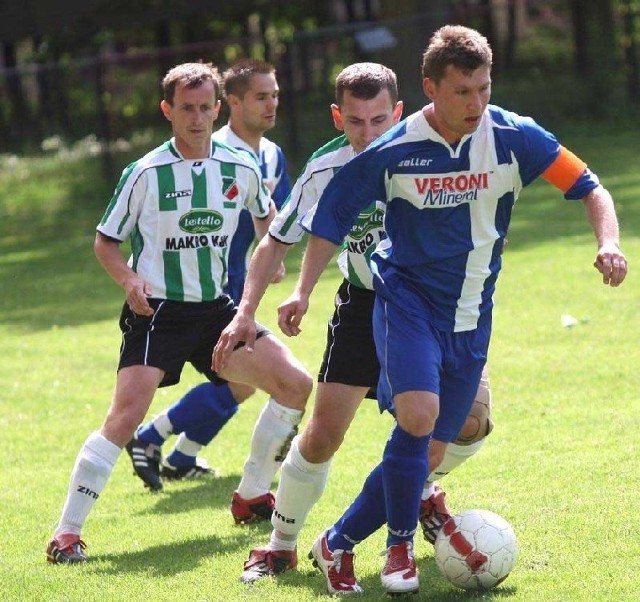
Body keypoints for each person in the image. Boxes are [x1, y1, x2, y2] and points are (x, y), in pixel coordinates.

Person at [281, 25, 627, 596]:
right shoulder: (393, 150)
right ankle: (398, 550)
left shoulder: (515, 137)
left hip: (471, 316)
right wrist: (303, 290)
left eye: (484, 88)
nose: (476, 103)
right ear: (429, 88)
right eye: (462, 91)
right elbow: (330, 220)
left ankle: (335, 543)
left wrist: (607, 242)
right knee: (417, 417)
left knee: (432, 449)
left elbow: (589, 186)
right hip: (405, 300)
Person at [213, 62, 493, 593]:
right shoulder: (326, 168)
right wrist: (252, 308)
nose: (368, 134)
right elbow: (276, 239)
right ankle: (280, 545)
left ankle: (415, 492)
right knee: (323, 435)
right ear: (339, 116)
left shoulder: (434, 150)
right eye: (357, 122)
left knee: (466, 423)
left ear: (401, 112)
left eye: (380, 120)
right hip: (364, 306)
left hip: (432, 305)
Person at [45, 61, 312, 564]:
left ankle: (251, 494)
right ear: (168, 111)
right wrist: (129, 281)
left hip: (218, 312)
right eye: (185, 108)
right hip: (159, 313)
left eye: (205, 107)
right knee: (124, 417)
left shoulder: (241, 165)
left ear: (218, 109)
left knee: (295, 385)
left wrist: (268, 260)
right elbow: (105, 242)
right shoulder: (145, 173)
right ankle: (65, 534)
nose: (197, 118)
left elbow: (267, 221)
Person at [125, 58, 293, 493]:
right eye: (261, 96)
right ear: (231, 103)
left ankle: (178, 453)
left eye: (275, 94)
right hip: (210, 286)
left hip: (239, 284)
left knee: (246, 383)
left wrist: (273, 257)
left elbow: (273, 221)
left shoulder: (271, 155)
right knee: (241, 381)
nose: (271, 104)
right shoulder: (202, 143)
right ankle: (153, 435)